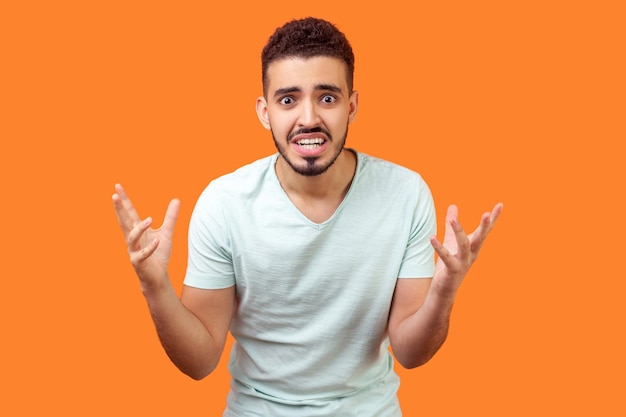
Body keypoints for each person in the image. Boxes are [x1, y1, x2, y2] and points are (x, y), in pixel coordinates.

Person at [113, 17, 503, 417]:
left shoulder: (405, 194)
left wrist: (443, 291)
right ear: (265, 112)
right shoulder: (224, 202)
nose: (308, 118)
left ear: (351, 106)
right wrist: (154, 286)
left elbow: (410, 352)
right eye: (288, 100)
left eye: (327, 98)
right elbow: (199, 362)